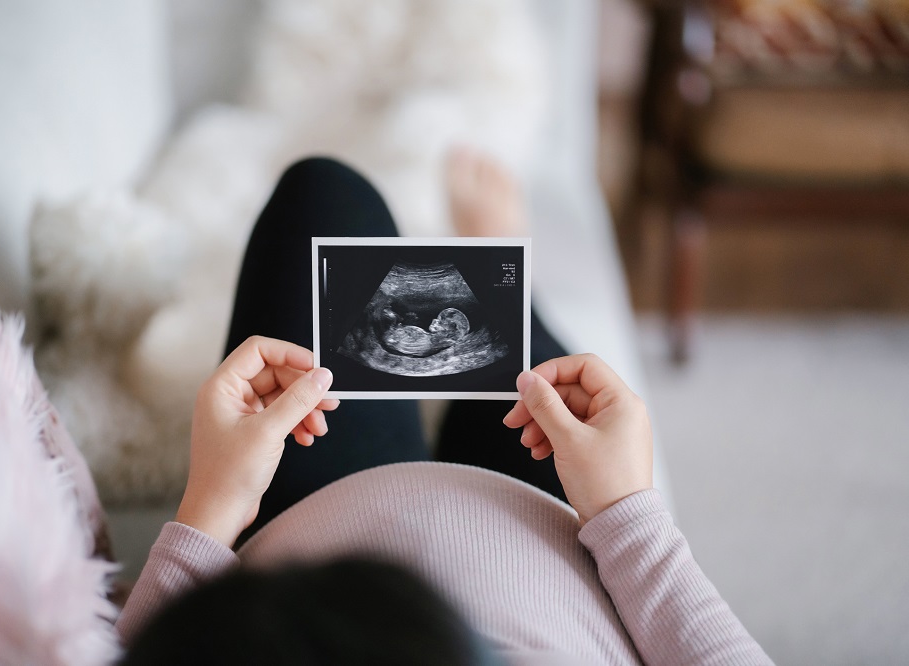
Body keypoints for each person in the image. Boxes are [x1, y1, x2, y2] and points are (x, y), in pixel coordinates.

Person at [116, 152, 772, 664]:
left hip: (296, 516)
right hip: (563, 521)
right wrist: (628, 515)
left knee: (324, 194)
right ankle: (503, 266)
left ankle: (497, 276)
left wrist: (210, 507)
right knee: (535, 363)